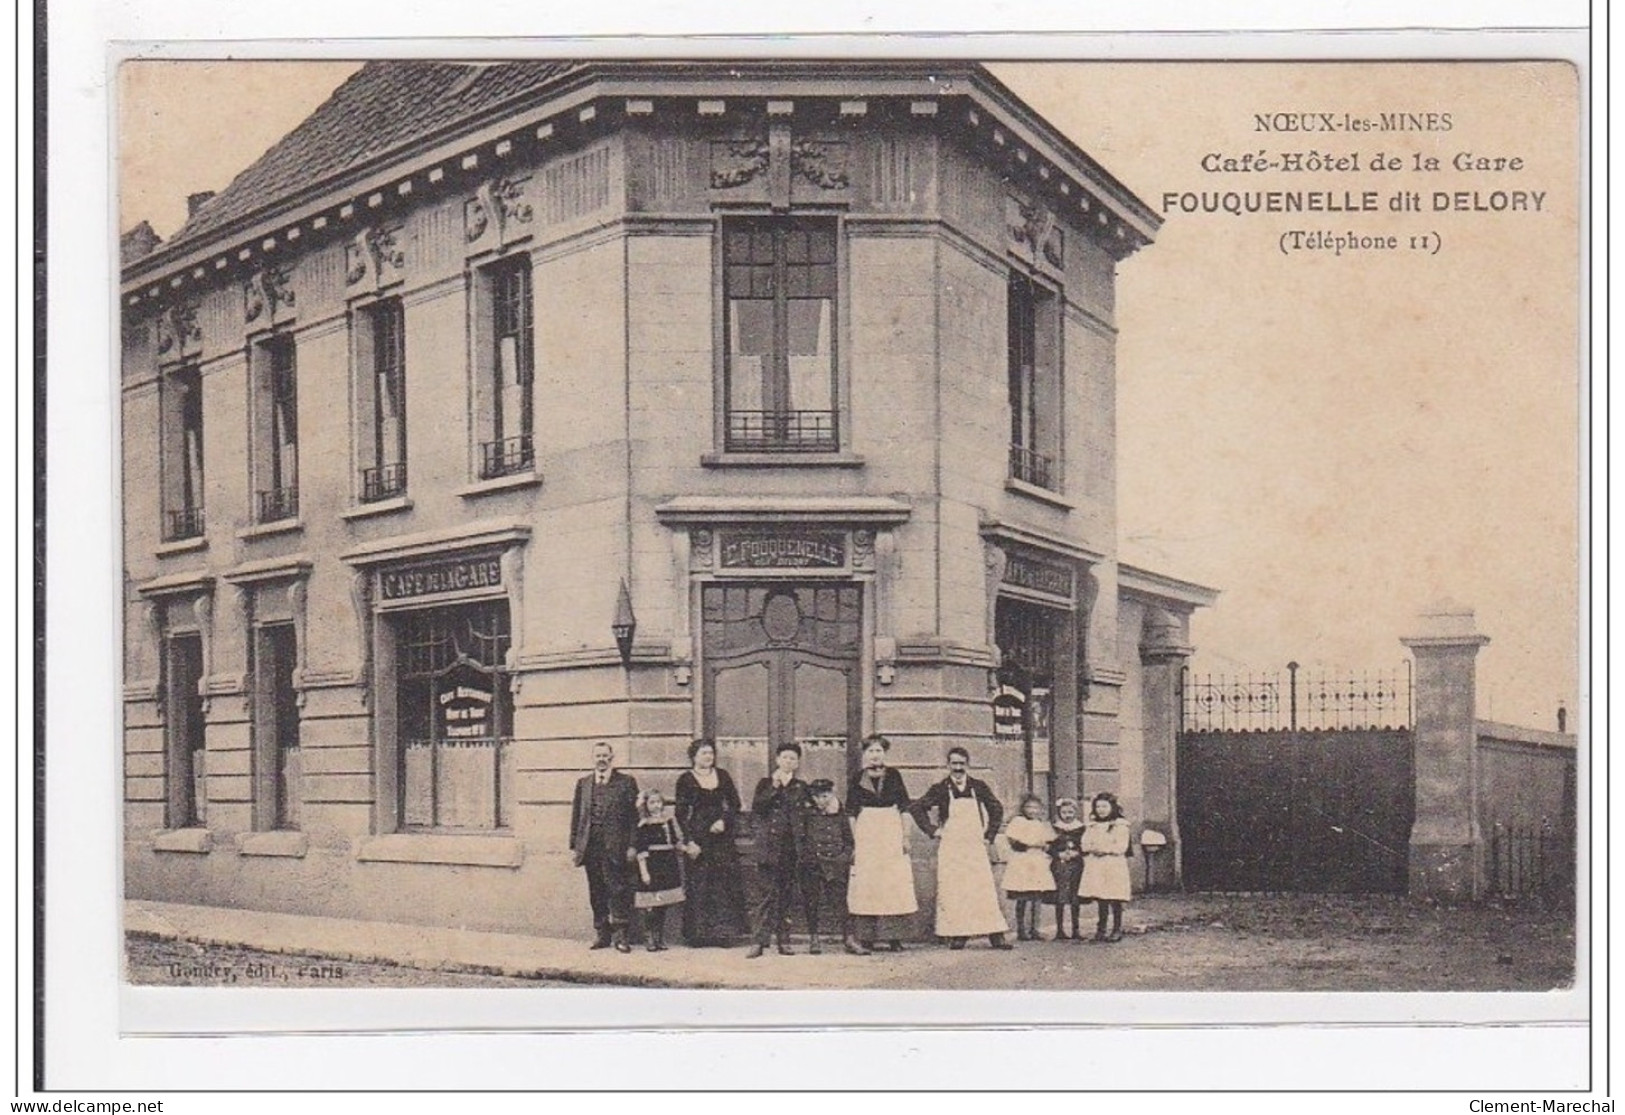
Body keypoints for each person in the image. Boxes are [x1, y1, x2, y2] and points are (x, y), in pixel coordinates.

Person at [908, 747, 1013, 950]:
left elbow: (996, 808)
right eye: (954, 764)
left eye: (961, 764)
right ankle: (958, 933)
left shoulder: (978, 786)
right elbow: (916, 808)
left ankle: (995, 934)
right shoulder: (940, 788)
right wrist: (932, 830)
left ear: (968, 765)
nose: (957, 768)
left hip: (974, 844)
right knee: (955, 889)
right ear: (948, 765)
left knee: (982, 888)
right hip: (952, 846)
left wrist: (989, 835)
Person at [845, 735, 919, 953]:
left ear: (884, 753)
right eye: (870, 751)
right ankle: (866, 937)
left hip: (890, 830)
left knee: (893, 882)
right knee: (868, 883)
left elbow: (905, 807)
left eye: (878, 751)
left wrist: (905, 837)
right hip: (867, 832)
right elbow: (851, 813)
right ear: (864, 755)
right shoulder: (857, 777)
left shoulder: (894, 775)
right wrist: (856, 842)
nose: (875, 755)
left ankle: (894, 937)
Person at [673, 739, 748, 947]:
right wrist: (689, 841)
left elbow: (735, 803)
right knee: (699, 883)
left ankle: (724, 934)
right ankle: (698, 935)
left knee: (723, 883)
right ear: (694, 756)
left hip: (721, 837)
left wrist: (724, 820)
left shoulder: (722, 775)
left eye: (711, 753)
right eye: (704, 753)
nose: (708, 757)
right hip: (699, 836)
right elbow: (680, 813)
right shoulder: (685, 779)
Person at [568, 740, 640, 953]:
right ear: (593, 758)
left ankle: (621, 935)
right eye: (597, 756)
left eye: (605, 755)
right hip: (591, 846)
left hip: (616, 847)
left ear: (612, 757)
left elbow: (634, 818)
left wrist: (632, 846)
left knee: (618, 889)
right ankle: (602, 933)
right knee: (596, 891)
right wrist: (575, 844)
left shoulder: (626, 782)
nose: (601, 759)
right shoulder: (584, 783)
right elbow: (577, 816)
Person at [747, 742, 811, 959]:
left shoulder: (801, 786)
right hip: (768, 848)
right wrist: (775, 787)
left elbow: (805, 814)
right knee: (765, 896)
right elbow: (758, 807)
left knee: (786, 895)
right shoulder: (765, 783)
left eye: (793, 758)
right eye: (785, 758)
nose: (789, 762)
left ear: (798, 762)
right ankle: (759, 942)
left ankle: (784, 940)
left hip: (790, 849)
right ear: (777, 760)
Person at [799, 779, 864, 955]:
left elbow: (849, 841)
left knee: (842, 903)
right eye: (818, 796)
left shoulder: (840, 815)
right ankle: (814, 938)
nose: (822, 800)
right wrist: (807, 858)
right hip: (813, 865)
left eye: (826, 795)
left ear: (832, 794)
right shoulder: (807, 815)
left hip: (836, 866)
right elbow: (800, 840)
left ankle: (849, 939)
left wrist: (842, 859)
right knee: (812, 902)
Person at [631, 789, 686, 952]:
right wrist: (644, 871)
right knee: (651, 905)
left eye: (659, 802)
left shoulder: (668, 821)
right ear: (646, 805)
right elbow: (641, 848)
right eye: (652, 803)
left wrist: (686, 848)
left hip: (668, 864)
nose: (656, 806)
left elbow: (676, 841)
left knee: (663, 903)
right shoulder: (643, 824)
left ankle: (659, 937)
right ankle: (649, 938)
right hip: (651, 864)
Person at [1002, 793, 1057, 941]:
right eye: (1029, 807)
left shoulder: (1041, 824)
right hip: (1023, 861)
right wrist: (1032, 844)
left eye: (1035, 808)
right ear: (1023, 808)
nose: (1032, 811)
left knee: (1037, 895)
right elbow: (1014, 842)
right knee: (1022, 895)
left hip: (1038, 861)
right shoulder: (1018, 822)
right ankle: (1021, 929)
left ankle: (1034, 928)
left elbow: (1049, 841)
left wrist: (1046, 846)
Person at [1080, 791, 1133, 942]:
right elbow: (1085, 844)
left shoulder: (1120, 825)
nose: (1101, 810)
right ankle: (1101, 929)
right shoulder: (1092, 825)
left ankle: (1117, 929)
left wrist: (1103, 849)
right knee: (1101, 896)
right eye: (1098, 807)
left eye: (1104, 806)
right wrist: (1093, 848)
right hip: (1097, 864)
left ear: (1112, 807)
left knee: (1115, 896)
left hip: (1113, 864)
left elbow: (1121, 847)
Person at [1047, 798, 1087, 941]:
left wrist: (1078, 853)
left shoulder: (1081, 829)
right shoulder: (1054, 828)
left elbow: (1086, 845)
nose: (1067, 815)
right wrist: (1058, 854)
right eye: (1064, 812)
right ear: (1059, 813)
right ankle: (1060, 930)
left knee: (1075, 896)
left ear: (1076, 812)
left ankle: (1076, 929)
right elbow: (1049, 847)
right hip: (1060, 865)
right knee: (1060, 896)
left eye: (1070, 812)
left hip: (1076, 864)